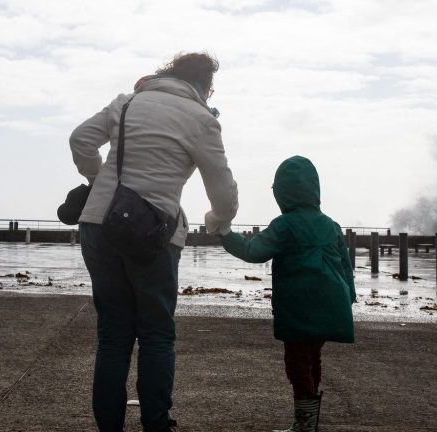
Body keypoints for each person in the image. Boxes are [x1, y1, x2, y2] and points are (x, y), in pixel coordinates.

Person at [69, 52, 238, 432]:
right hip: (153, 233)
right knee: (157, 335)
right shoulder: (201, 120)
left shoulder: (127, 102)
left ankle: (109, 427)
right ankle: (156, 424)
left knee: (113, 335)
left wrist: (97, 181)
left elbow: (80, 139)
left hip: (99, 224)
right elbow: (224, 195)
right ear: (205, 87)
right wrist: (216, 222)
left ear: (169, 73)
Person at [221, 155, 355, 432]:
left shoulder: (285, 225)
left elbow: (252, 251)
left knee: (296, 364)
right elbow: (346, 266)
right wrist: (349, 297)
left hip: (299, 307)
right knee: (312, 359)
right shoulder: (331, 225)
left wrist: (223, 234)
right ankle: (307, 424)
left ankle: (304, 425)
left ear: (282, 192)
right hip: (331, 303)